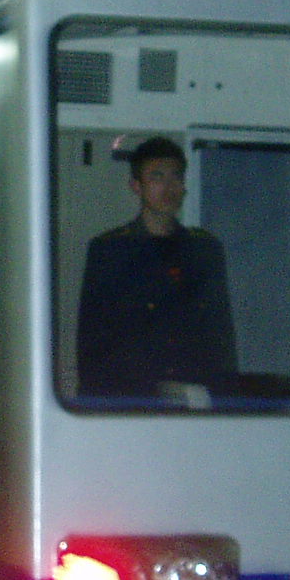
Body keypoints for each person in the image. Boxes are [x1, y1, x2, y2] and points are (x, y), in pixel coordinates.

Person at [76, 136, 238, 402]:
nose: (169, 187)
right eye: (157, 177)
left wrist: (225, 400)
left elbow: (221, 337)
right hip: (130, 397)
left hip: (193, 395)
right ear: (136, 186)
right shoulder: (111, 250)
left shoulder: (204, 250)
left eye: (176, 177)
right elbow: (92, 341)